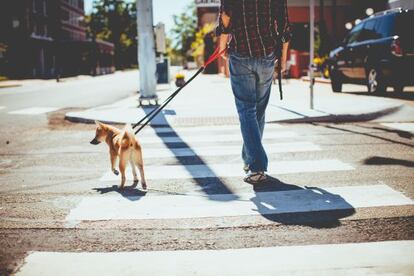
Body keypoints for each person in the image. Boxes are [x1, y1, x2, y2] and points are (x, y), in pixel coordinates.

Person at [216, 0, 292, 184]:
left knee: (247, 110)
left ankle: (257, 167)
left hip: (240, 53)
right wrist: (282, 58)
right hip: (266, 54)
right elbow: (284, 27)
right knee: (257, 110)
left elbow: (225, 17)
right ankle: (249, 157)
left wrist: (222, 47)